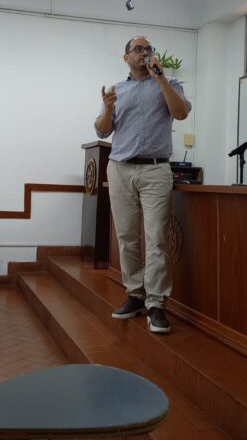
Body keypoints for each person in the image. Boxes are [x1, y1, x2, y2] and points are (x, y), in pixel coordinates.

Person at [94, 36, 191, 334]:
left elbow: (181, 113)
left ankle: (157, 303)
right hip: (120, 169)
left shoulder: (169, 83)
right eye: (138, 49)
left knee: (157, 237)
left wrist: (159, 77)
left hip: (155, 169)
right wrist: (107, 109)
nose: (145, 53)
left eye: (148, 49)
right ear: (126, 58)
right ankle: (135, 295)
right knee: (126, 237)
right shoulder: (117, 90)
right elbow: (102, 130)